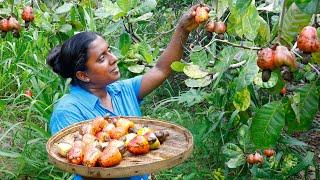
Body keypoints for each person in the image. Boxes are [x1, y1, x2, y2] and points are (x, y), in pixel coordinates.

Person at [47, 4, 209, 180]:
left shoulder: (121, 91)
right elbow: (87, 168)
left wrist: (182, 30)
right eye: (102, 58)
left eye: (109, 51)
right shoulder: (68, 111)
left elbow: (161, 69)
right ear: (83, 75)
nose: (114, 58)